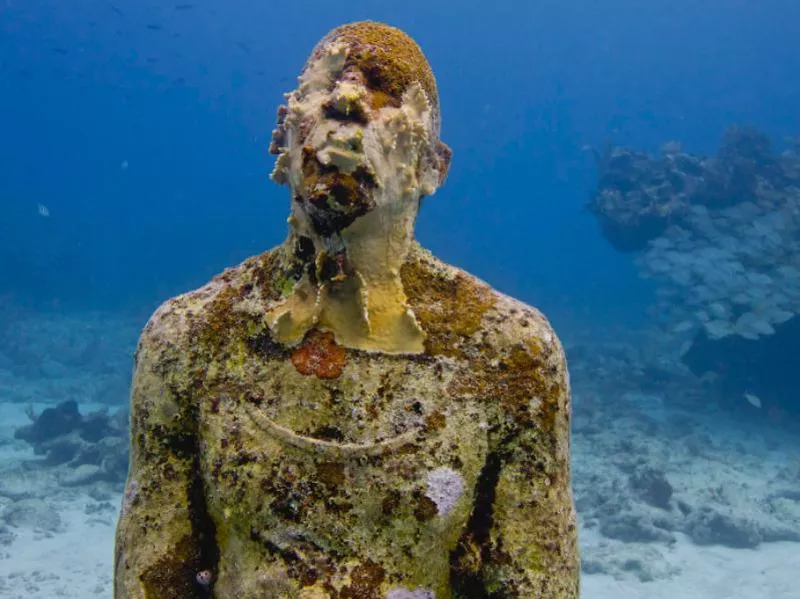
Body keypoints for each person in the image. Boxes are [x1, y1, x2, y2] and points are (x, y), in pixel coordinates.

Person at [114, 21, 579, 599]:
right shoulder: (186, 337)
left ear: (433, 165)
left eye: (385, 89)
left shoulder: (513, 352)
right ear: (283, 137)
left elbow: (535, 578)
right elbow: (151, 570)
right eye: (323, 84)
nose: (346, 98)